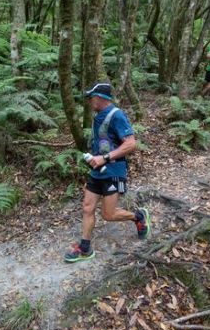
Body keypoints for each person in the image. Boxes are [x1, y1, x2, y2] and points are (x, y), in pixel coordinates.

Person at [64, 82, 151, 263]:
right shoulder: (98, 116)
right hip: (97, 171)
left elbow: (130, 144)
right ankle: (85, 249)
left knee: (108, 214)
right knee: (87, 208)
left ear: (101, 98)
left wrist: (104, 158)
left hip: (113, 171)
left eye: (91, 97)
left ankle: (138, 216)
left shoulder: (116, 115)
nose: (89, 101)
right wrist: (93, 157)